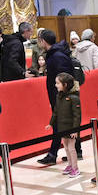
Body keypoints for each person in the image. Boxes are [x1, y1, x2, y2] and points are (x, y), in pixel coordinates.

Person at [35, 30, 74, 166]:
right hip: (57, 96)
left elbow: (64, 78)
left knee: (61, 124)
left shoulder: (57, 56)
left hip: (60, 97)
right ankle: (61, 152)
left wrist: (61, 97)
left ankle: (53, 154)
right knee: (62, 124)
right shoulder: (54, 55)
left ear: (43, 41)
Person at [49, 72, 82, 178]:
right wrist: (51, 123)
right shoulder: (59, 96)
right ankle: (69, 165)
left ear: (65, 85)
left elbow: (77, 116)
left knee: (72, 148)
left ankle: (75, 168)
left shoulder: (74, 98)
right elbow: (56, 111)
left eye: (58, 83)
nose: (55, 85)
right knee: (66, 148)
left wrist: (75, 130)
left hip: (71, 128)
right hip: (62, 127)